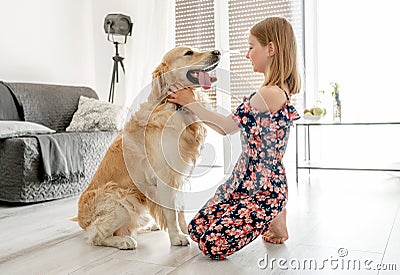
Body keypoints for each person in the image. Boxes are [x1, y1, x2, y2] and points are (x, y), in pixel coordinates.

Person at [168, 17, 300, 260]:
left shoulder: (269, 94)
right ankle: (274, 216)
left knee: (211, 246)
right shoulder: (268, 91)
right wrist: (193, 101)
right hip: (242, 181)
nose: (247, 54)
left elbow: (225, 126)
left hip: (263, 189)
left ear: (270, 49)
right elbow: (224, 124)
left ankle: (275, 212)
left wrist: (191, 102)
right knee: (196, 230)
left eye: (251, 47)